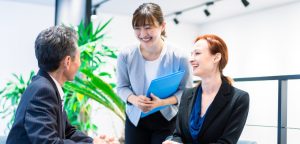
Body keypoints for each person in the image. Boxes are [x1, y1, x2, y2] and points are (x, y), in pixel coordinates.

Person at [6, 25, 118, 144]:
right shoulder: (43, 91)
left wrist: (93, 141)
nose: (80, 64)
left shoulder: (47, 86)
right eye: (79, 58)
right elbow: (49, 142)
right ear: (67, 61)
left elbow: (68, 131)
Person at [116, 3, 193, 144]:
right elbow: (121, 87)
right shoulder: (126, 54)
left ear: (162, 26)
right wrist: (134, 99)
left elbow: (187, 92)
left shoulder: (180, 56)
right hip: (135, 118)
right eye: (137, 28)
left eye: (148, 28)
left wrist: (162, 102)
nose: (143, 34)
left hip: (167, 119)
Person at [163, 34, 250, 144]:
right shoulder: (187, 94)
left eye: (197, 53)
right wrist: (173, 142)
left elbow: (226, 142)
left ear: (216, 57)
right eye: (191, 54)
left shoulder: (239, 99)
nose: (191, 59)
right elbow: (178, 135)